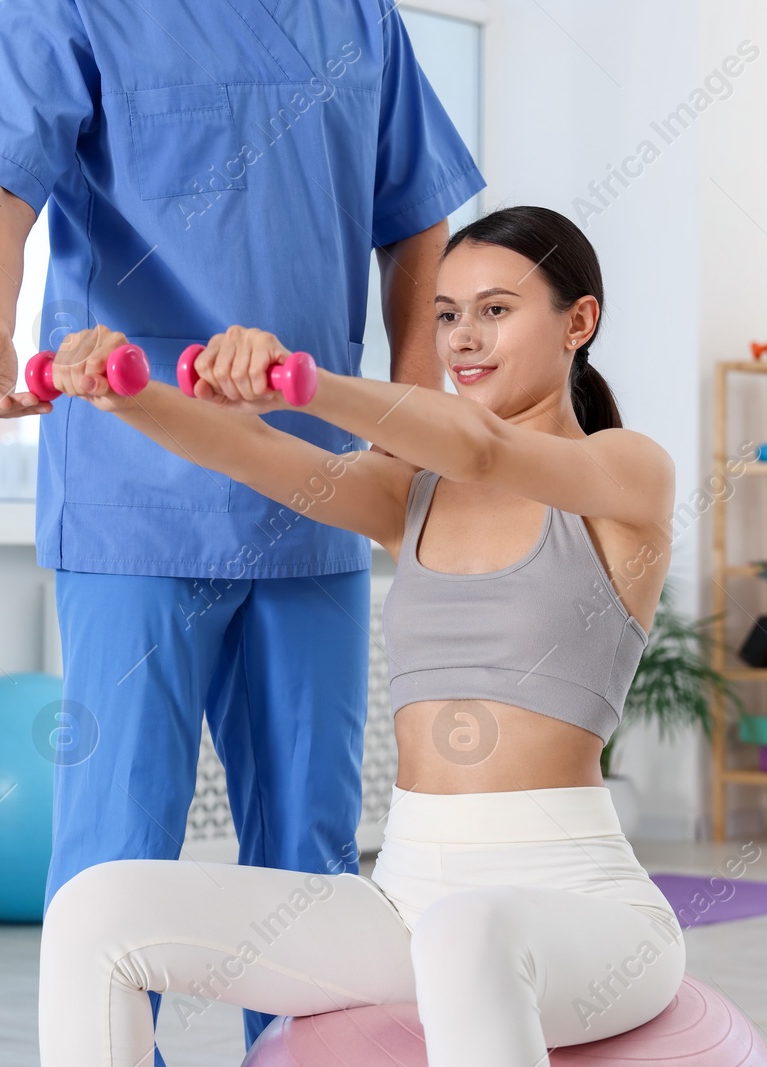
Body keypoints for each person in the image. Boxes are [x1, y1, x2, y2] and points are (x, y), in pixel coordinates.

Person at [0, 0, 483, 1055]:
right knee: (116, 857)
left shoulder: (358, 16)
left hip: (319, 487)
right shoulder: (62, 12)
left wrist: (412, 417)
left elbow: (415, 216)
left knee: (308, 861)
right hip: (133, 492)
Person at [35, 206, 685, 1066]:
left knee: (468, 932)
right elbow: (247, 453)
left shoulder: (627, 473)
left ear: (579, 320)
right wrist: (122, 390)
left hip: (576, 902)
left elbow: (485, 448)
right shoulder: (407, 496)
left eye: (495, 309)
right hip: (406, 900)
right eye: (446, 313)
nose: (462, 337)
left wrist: (302, 382)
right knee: (94, 909)